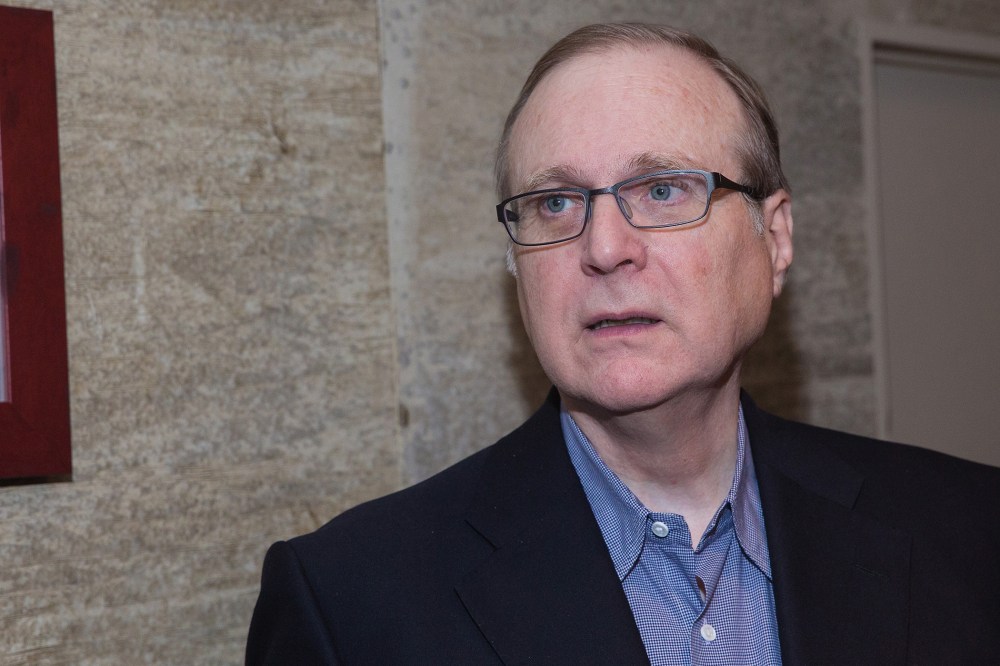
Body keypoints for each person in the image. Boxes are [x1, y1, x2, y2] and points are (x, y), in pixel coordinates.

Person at [246, 23, 1000, 664]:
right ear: (516, 265)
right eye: (554, 202)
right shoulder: (351, 607)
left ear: (773, 239)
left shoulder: (968, 530)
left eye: (663, 189)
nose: (605, 248)